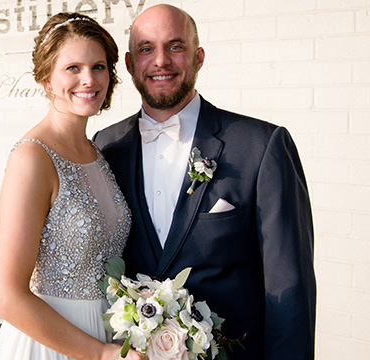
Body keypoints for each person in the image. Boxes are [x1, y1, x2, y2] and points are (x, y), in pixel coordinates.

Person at [93, 4, 316, 360]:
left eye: (176, 46)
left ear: (198, 58)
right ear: (132, 65)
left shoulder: (262, 146)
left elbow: (289, 286)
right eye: (147, 49)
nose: (161, 60)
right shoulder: (104, 147)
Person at [0, 12, 143, 360]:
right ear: (46, 78)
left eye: (98, 66)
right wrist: (100, 353)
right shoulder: (32, 159)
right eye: (72, 68)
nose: (88, 79)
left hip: (106, 332)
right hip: (50, 342)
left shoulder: (98, 152)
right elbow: (5, 296)